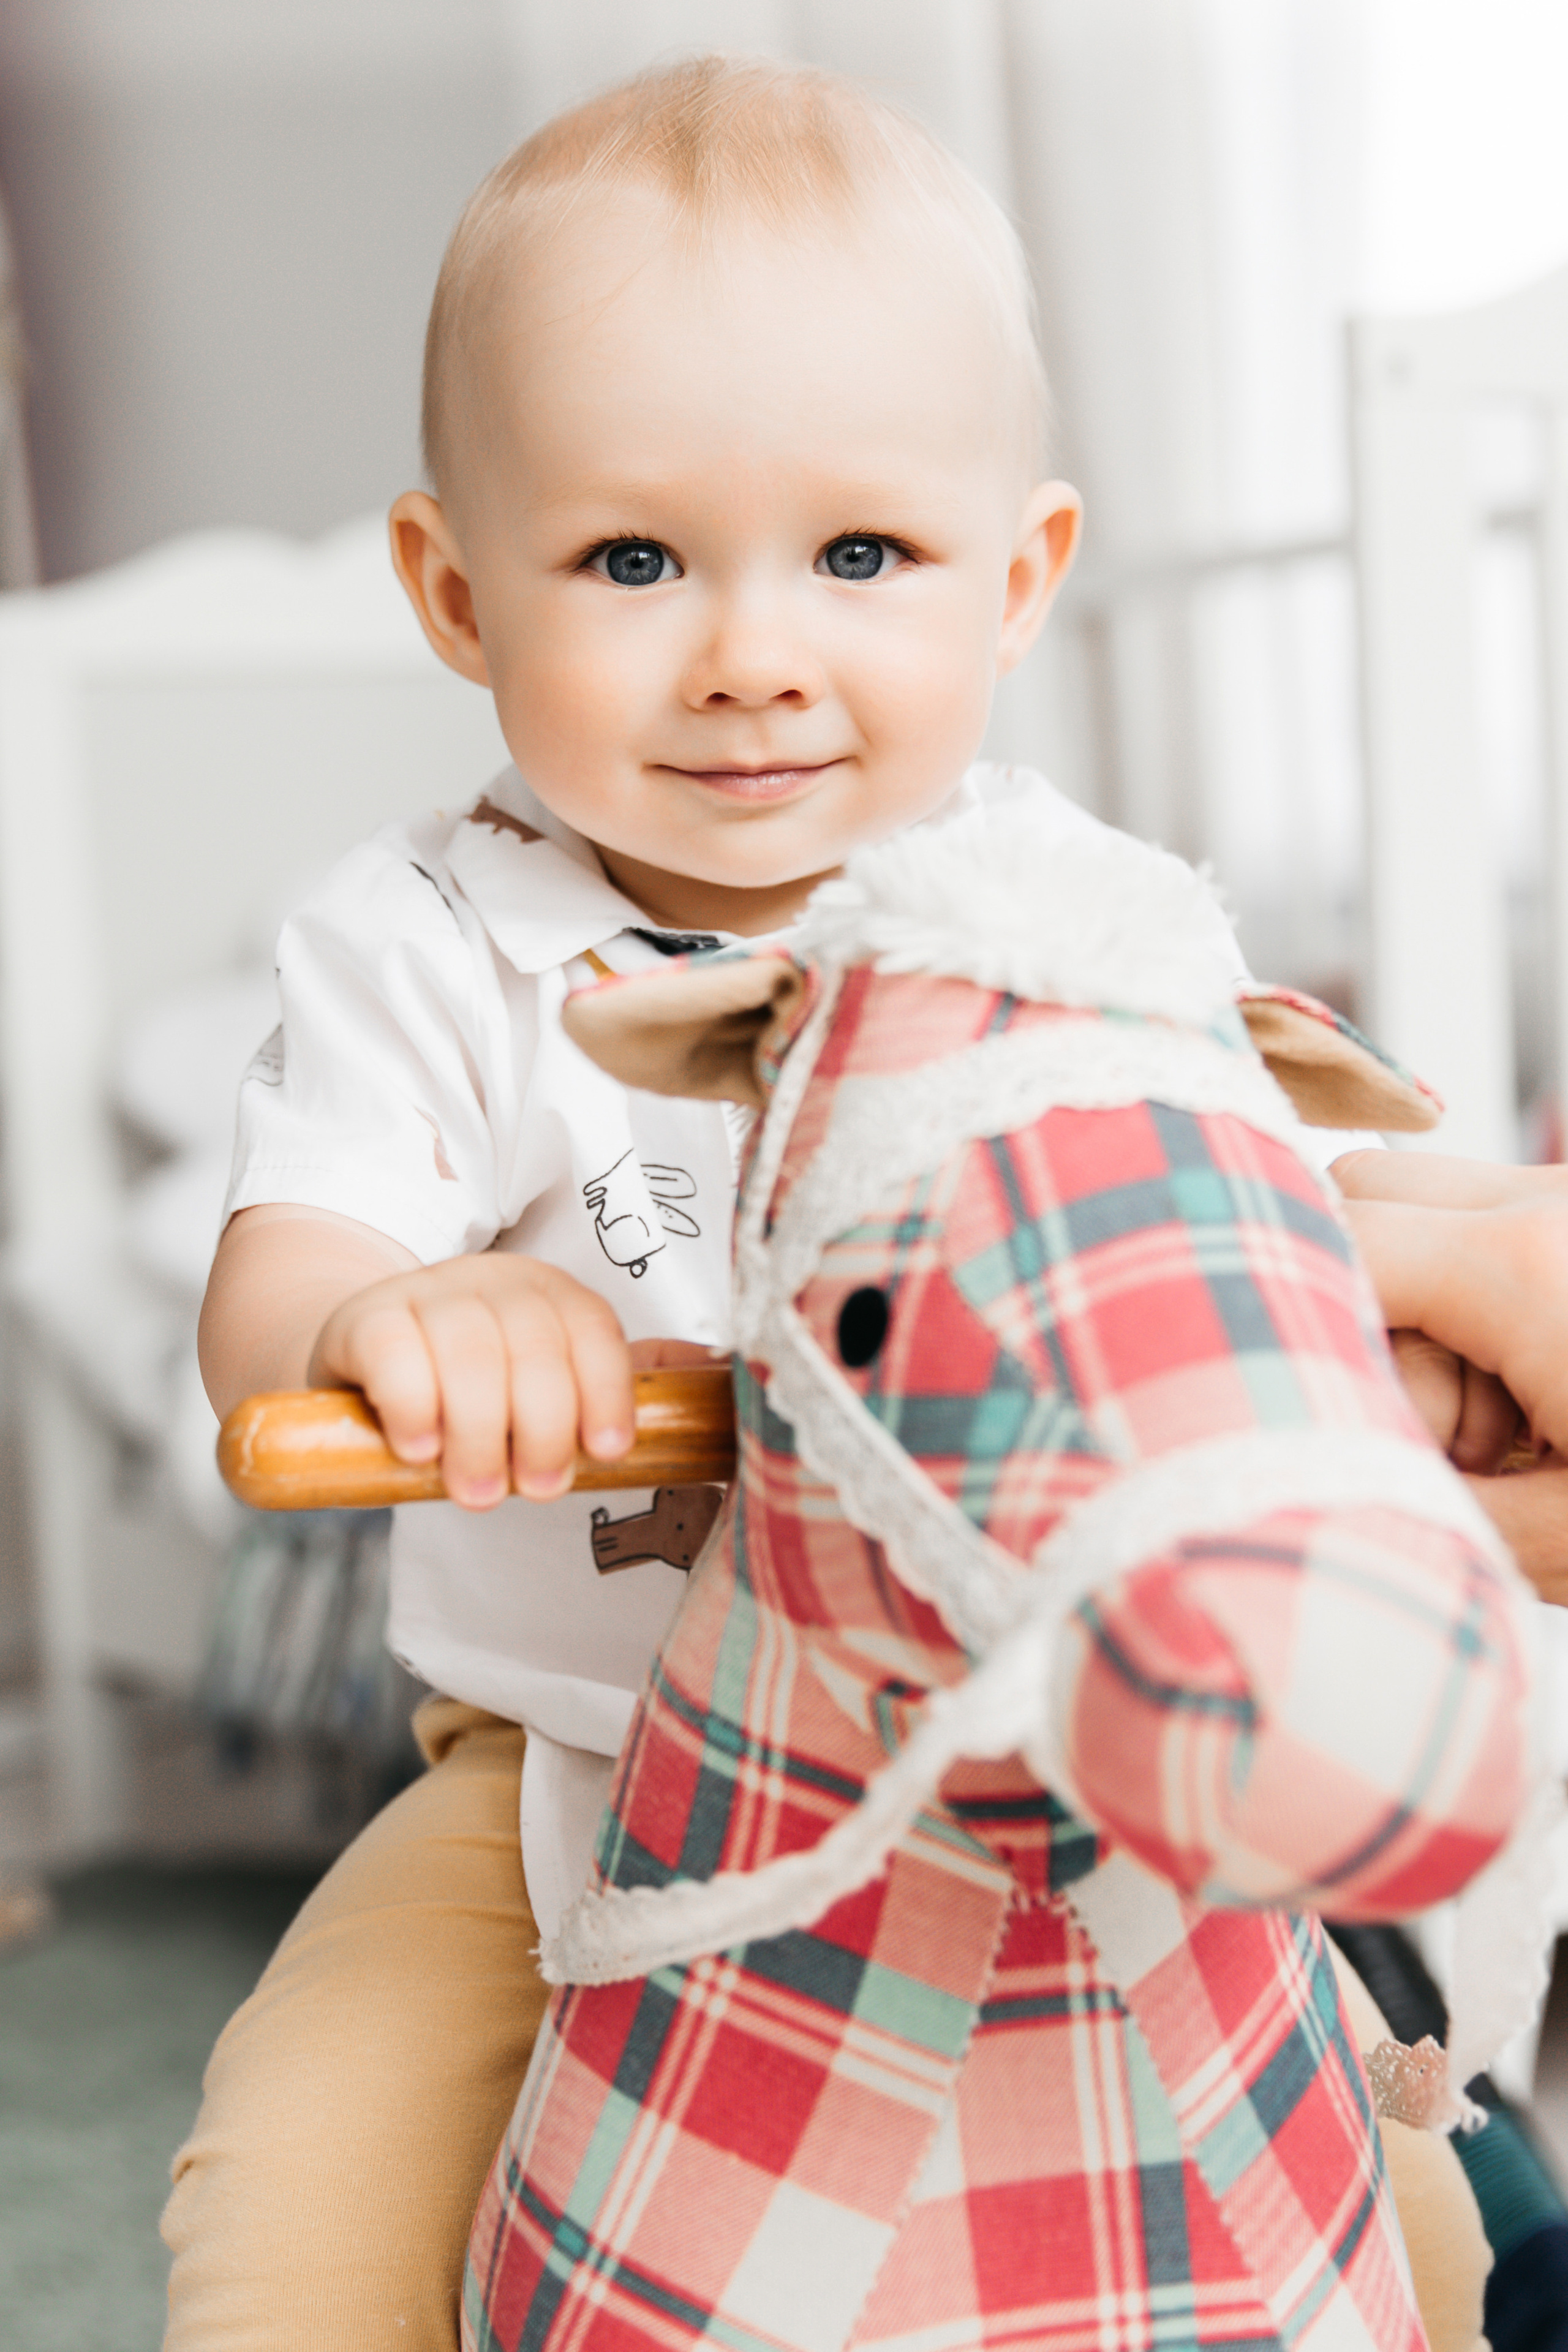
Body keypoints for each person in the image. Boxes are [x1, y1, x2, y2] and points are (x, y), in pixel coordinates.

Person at [162, 55, 1085, 2351]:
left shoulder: (1063, 914)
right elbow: (281, 1281)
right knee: (292, 2192)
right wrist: (392, 1319)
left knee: (1380, 2155)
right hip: (571, 1773)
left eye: (863, 555)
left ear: (1022, 579)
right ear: (457, 592)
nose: (755, 649)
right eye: (635, 559)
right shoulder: (429, 941)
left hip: (1020, 1749)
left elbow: (1265, 1203)